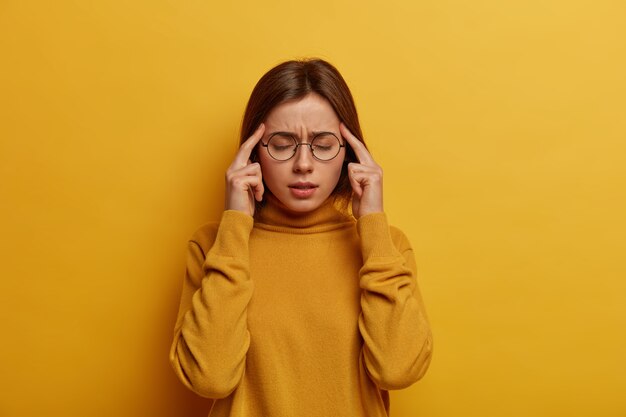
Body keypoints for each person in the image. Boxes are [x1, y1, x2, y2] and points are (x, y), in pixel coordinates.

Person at [169, 58, 433, 417]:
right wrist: (235, 226)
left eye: (324, 144)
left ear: (349, 152)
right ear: (253, 151)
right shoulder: (214, 245)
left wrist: (372, 224)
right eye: (282, 143)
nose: (304, 164)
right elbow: (210, 378)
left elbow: (398, 370)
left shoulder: (386, 246)